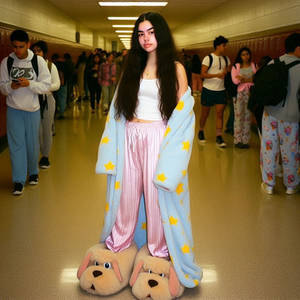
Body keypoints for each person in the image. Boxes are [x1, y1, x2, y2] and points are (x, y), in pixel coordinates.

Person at [91, 12, 202, 297]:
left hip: (158, 137)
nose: (146, 38)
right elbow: (119, 107)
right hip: (130, 136)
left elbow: (182, 114)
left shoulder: (175, 68)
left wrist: (174, 153)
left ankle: (158, 252)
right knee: (125, 194)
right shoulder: (132, 66)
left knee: (156, 198)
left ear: (161, 34)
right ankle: (119, 245)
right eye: (140, 34)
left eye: (151, 32)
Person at [0, 30, 51, 195]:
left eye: (21, 47)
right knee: (16, 146)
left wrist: (29, 84)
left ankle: (33, 172)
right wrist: (11, 86)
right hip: (14, 109)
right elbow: (2, 88)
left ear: (28, 45)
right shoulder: (6, 62)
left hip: (32, 110)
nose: (18, 50)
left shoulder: (39, 62)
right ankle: (18, 180)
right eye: (14, 47)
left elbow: (45, 86)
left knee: (32, 143)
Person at [260, 33, 300, 195]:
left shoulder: (272, 63)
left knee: (269, 147)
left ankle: (269, 184)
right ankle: (291, 185)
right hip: (291, 116)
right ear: (298, 48)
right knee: (290, 149)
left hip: (270, 113)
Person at [31, 41, 60, 169]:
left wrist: (41, 88)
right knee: (36, 131)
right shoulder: (27, 66)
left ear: (44, 52)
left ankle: (45, 157)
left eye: (39, 50)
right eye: (34, 50)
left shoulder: (50, 66)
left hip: (47, 101)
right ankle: (34, 156)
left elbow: (56, 84)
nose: (36, 53)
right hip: (31, 101)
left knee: (46, 130)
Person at [198, 35, 231, 148]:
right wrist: (217, 75)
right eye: (223, 45)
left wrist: (226, 72)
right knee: (205, 114)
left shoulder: (226, 59)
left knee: (220, 114)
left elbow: (228, 69)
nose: (225, 47)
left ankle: (219, 136)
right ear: (217, 46)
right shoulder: (208, 58)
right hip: (208, 90)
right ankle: (201, 131)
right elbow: (203, 74)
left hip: (221, 90)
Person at [231, 47, 257, 148]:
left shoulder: (254, 65)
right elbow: (235, 81)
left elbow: (257, 79)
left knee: (248, 117)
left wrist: (243, 79)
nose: (246, 56)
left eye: (247, 54)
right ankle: (237, 140)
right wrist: (250, 79)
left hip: (250, 93)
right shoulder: (236, 66)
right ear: (240, 56)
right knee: (238, 117)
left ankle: (245, 140)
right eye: (243, 54)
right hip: (240, 94)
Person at [52, 54, 67, 119]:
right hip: (63, 83)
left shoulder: (54, 64)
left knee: (58, 98)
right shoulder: (63, 63)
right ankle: (61, 112)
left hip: (57, 83)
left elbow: (60, 73)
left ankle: (58, 112)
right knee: (63, 97)